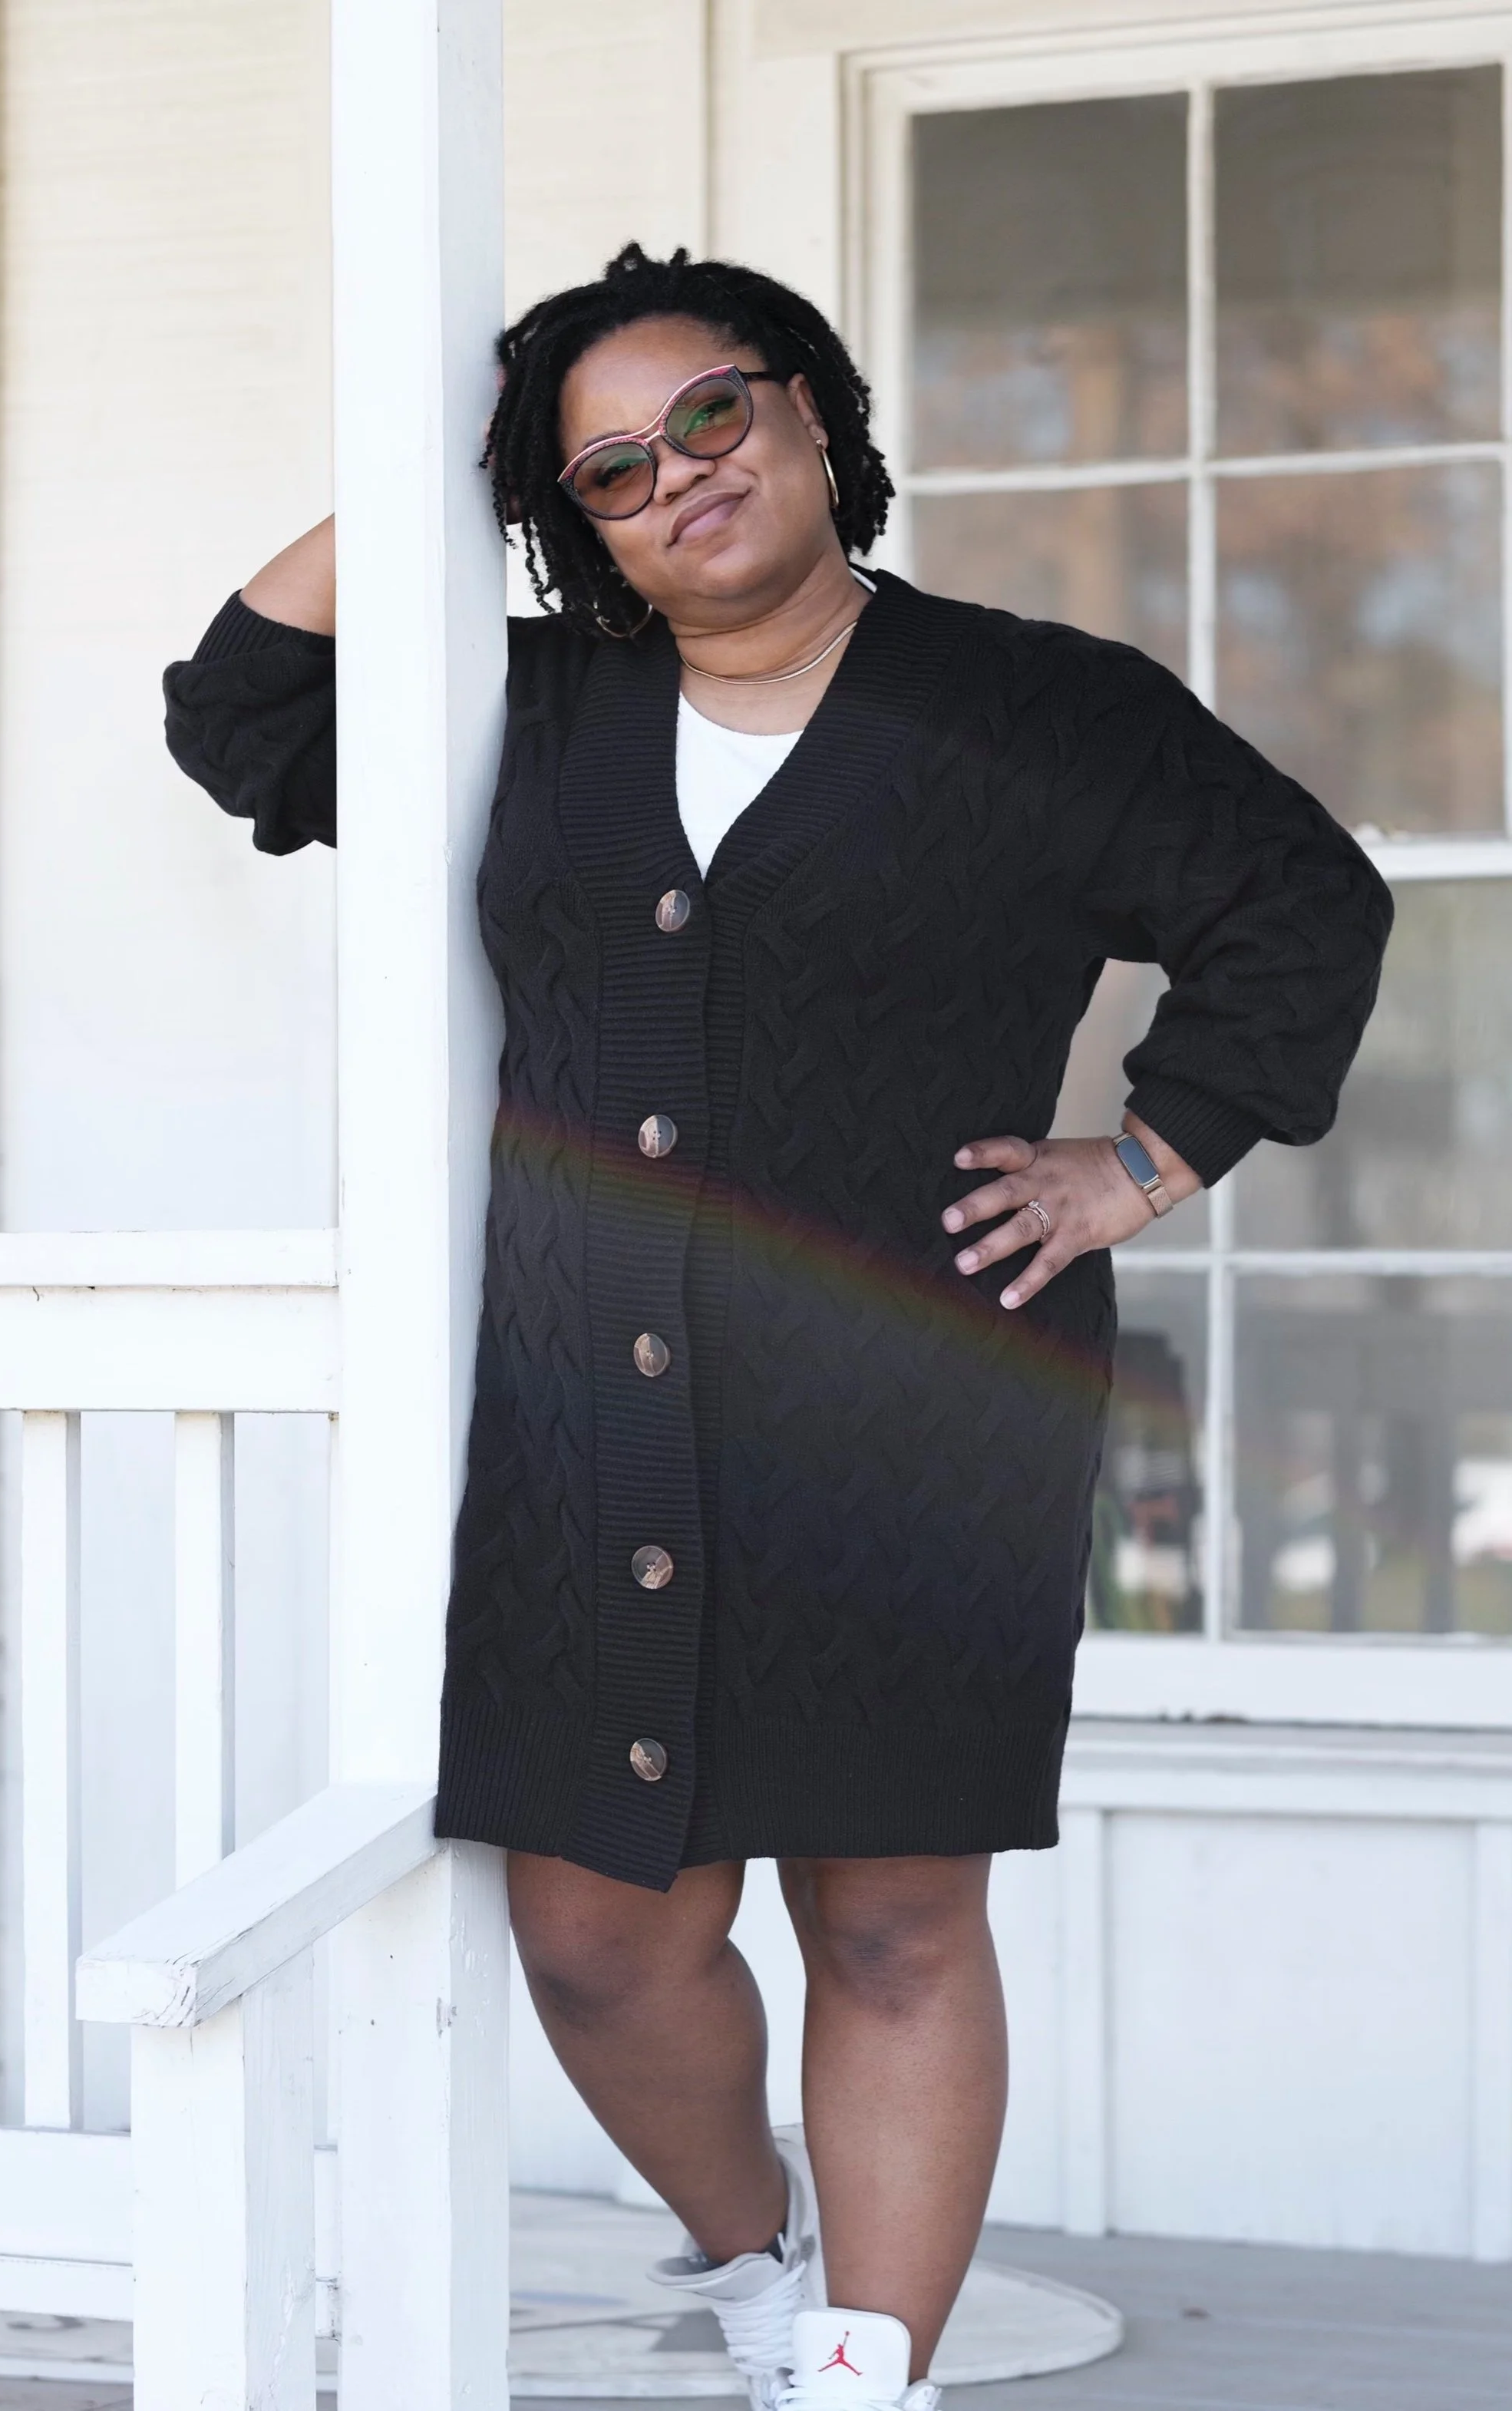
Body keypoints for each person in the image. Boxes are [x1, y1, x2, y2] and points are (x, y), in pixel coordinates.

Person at [163, 243, 1392, 2409]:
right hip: (586, 1410)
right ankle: (758, 2274)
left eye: (712, 414)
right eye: (609, 469)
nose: (679, 476)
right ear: (564, 517)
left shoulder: (1034, 706)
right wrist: (442, 460)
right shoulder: (522, 705)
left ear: (811, 410)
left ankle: (857, 2369)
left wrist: (1139, 1159)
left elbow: (1301, 905)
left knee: (891, 1917)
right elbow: (239, 714)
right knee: (594, 1933)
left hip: (915, 1411)